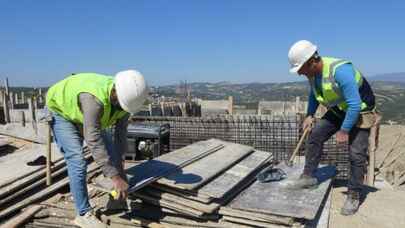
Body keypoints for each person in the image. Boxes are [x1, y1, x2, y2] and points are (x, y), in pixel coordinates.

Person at [46, 70, 148, 227]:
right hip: (61, 112)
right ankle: (83, 214)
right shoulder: (94, 100)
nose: (123, 109)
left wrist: (120, 166)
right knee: (77, 161)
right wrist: (115, 177)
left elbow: (120, 135)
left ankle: (117, 201)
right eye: (121, 105)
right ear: (115, 93)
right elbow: (93, 139)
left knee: (113, 155)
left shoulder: (126, 103)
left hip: (85, 113)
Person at [287, 40, 376, 215]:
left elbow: (354, 105)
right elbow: (314, 94)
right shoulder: (312, 74)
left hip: (360, 111)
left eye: (301, 69)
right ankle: (308, 176)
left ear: (312, 62)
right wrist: (309, 115)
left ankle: (354, 194)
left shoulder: (340, 71)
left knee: (356, 154)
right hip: (340, 109)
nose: (299, 74)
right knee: (315, 136)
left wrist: (344, 130)